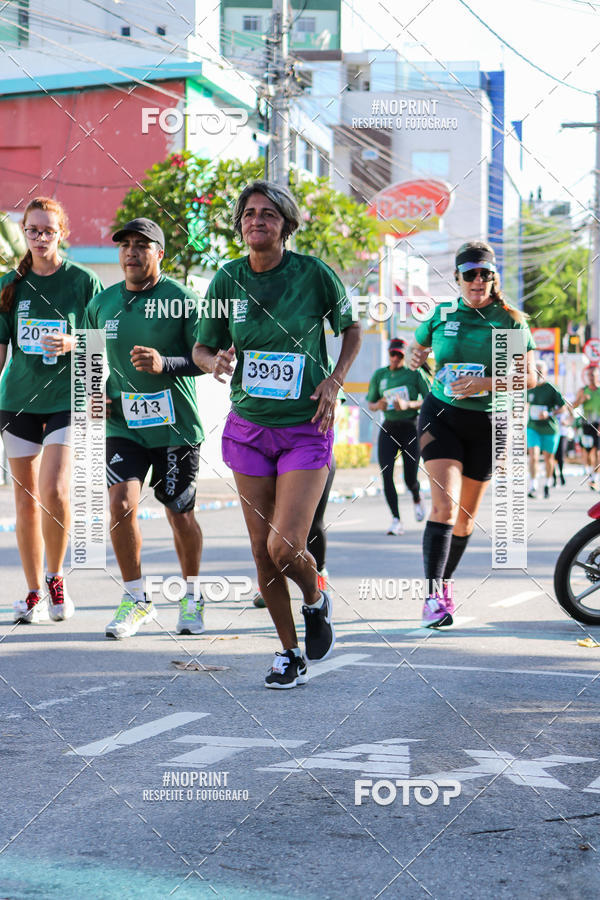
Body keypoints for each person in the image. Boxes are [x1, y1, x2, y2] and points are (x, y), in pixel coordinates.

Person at [193, 180, 361, 689]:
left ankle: (315, 597)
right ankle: (288, 653)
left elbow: (352, 328)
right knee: (260, 549)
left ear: (286, 224)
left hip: (305, 428)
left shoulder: (313, 274)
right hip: (248, 429)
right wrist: (214, 362)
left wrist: (335, 379)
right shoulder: (228, 279)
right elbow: (202, 348)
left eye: (268, 213)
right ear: (240, 224)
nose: (257, 220)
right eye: (248, 213)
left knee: (285, 546)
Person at [83, 218, 206, 639]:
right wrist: (93, 394)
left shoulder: (183, 301)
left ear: (160, 254)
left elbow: (205, 358)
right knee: (120, 505)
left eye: (142, 245)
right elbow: (89, 359)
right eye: (125, 245)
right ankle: (136, 599)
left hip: (175, 428)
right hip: (125, 425)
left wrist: (164, 363)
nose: (131, 252)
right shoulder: (102, 303)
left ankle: (192, 596)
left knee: (179, 513)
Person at [409, 241, 536, 628]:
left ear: (493, 277)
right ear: (458, 278)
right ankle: (433, 598)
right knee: (444, 508)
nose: (477, 280)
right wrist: (416, 356)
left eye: (485, 274)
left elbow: (529, 378)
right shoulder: (442, 314)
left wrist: (485, 382)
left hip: (488, 424)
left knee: (464, 519)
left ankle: (445, 583)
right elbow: (417, 348)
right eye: (470, 274)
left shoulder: (509, 320)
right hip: (440, 416)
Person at [0, 197, 103, 624]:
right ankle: (32, 594)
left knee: (55, 491)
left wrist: (73, 342)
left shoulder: (84, 281)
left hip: (67, 399)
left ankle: (56, 578)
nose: (40, 237)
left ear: (62, 233)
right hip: (18, 401)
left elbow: (104, 341)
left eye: (48, 230)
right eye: (33, 230)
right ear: (24, 232)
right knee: (25, 500)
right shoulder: (9, 284)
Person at [367, 337, 430, 535]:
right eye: (392, 354)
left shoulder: (414, 373)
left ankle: (417, 496)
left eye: (399, 355)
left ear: (405, 356)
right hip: (389, 427)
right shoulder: (380, 375)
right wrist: (379, 405)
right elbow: (371, 403)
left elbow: (429, 400)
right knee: (386, 473)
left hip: (411, 427)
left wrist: (408, 404)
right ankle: (396, 519)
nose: (395, 358)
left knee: (410, 477)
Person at [526, 359, 565, 499]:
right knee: (534, 456)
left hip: (550, 428)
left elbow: (563, 408)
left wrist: (548, 413)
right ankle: (533, 485)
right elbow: (524, 404)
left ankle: (548, 483)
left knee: (549, 458)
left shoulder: (552, 388)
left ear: (546, 373)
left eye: (540, 372)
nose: (537, 374)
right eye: (535, 371)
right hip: (533, 427)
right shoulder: (529, 387)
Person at [574, 365, 600, 490]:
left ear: (597, 376)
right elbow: (573, 405)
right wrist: (582, 400)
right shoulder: (583, 390)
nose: (591, 378)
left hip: (598, 424)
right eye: (589, 375)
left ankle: (595, 479)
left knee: (598, 453)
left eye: (593, 375)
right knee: (589, 453)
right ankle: (591, 475)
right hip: (586, 424)